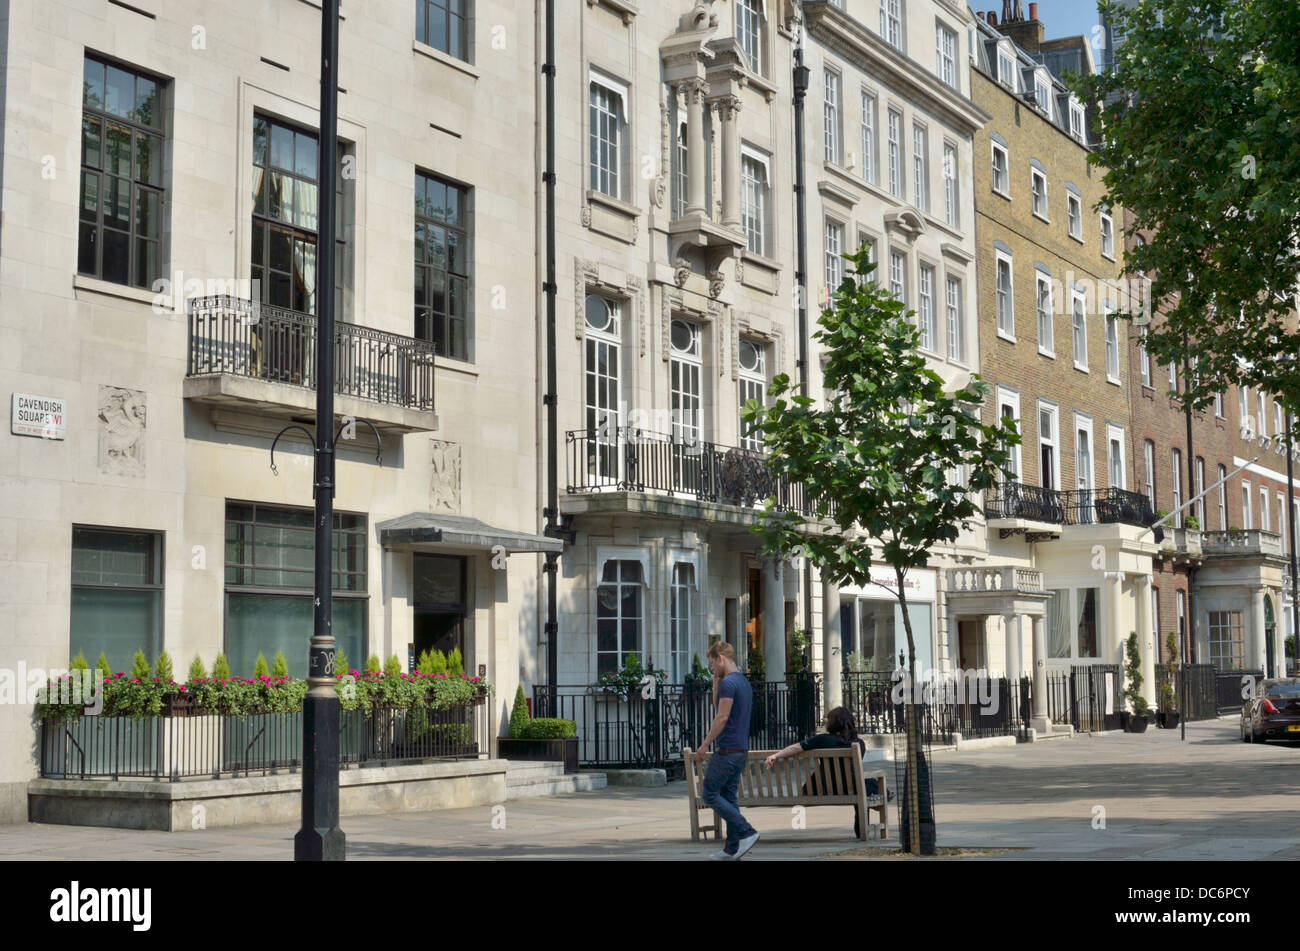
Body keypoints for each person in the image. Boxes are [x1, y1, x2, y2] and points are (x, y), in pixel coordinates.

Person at [763, 706, 890, 838]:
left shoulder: (822, 739)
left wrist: (776, 755)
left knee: (862, 785)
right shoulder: (859, 743)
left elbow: (797, 747)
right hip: (851, 788)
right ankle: (864, 824)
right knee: (866, 786)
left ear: (832, 723)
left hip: (821, 788)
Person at [695, 641, 760, 860]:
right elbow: (721, 709)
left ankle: (746, 831)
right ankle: (732, 849)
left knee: (709, 793)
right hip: (740, 750)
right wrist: (715, 682)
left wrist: (705, 744)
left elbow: (721, 717)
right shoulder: (742, 682)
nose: (712, 668)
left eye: (713, 663)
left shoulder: (729, 684)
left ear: (720, 658)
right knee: (728, 797)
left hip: (727, 750)